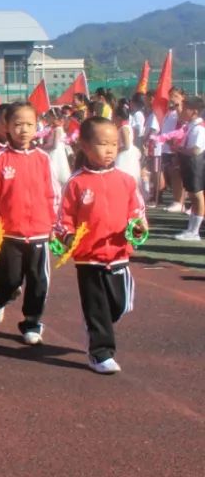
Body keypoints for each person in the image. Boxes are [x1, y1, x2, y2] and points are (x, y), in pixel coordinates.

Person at [59, 117, 147, 374]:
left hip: (119, 253)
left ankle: (99, 324)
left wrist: (138, 228)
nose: (110, 149)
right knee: (97, 306)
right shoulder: (76, 183)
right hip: (89, 258)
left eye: (114, 144)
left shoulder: (126, 180)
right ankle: (101, 353)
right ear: (85, 146)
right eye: (103, 144)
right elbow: (63, 218)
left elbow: (137, 211)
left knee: (118, 305)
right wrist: (67, 237)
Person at [0, 101, 57, 345]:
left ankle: (31, 323)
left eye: (29, 124)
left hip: (39, 233)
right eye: (18, 124)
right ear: (7, 127)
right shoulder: (0, 158)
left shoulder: (43, 159)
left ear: (37, 127)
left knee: (38, 282)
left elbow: (52, 193)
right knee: (11, 280)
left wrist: (55, 224)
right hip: (10, 233)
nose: (24, 129)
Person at [174, 96, 204, 241]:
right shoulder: (190, 126)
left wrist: (180, 149)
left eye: (186, 109)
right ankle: (191, 228)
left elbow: (196, 150)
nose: (182, 111)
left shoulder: (199, 128)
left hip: (196, 165)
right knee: (193, 197)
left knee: (197, 196)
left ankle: (195, 231)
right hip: (189, 163)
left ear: (195, 112)